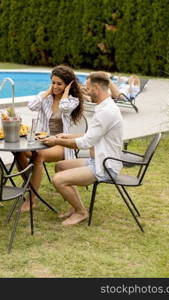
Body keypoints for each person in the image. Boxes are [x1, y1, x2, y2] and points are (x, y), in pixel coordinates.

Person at [42, 71, 123, 226]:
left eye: (88, 87)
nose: (85, 91)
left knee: (58, 180)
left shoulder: (106, 111)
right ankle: (76, 206)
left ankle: (81, 212)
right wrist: (66, 136)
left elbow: (85, 143)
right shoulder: (105, 105)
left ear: (97, 88)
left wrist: (56, 141)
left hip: (104, 165)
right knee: (60, 166)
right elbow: (90, 135)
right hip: (97, 159)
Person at [16, 65, 85, 212]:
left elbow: (65, 107)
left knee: (39, 156)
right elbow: (31, 106)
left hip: (62, 143)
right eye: (53, 82)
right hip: (42, 140)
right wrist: (48, 92)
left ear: (67, 85)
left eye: (59, 84)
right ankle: (32, 187)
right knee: (18, 152)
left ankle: (32, 199)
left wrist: (65, 92)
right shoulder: (46, 97)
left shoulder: (73, 100)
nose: (55, 86)